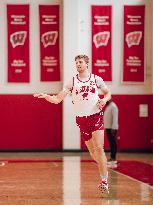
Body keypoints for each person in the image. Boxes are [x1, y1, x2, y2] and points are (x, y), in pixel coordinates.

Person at [34, 54, 111, 197]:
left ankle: (104, 181)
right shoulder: (72, 82)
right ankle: (103, 164)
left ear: (87, 64)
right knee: (94, 154)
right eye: (76, 63)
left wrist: (104, 100)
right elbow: (57, 99)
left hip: (96, 116)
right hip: (81, 120)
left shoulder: (96, 79)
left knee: (99, 149)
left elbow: (108, 93)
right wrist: (47, 96)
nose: (78, 64)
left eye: (80, 62)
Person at [104, 99, 119, 168]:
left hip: (112, 128)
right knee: (111, 143)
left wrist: (114, 128)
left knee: (113, 143)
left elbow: (115, 118)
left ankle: (113, 158)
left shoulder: (113, 106)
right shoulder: (109, 106)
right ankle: (112, 158)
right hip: (108, 127)